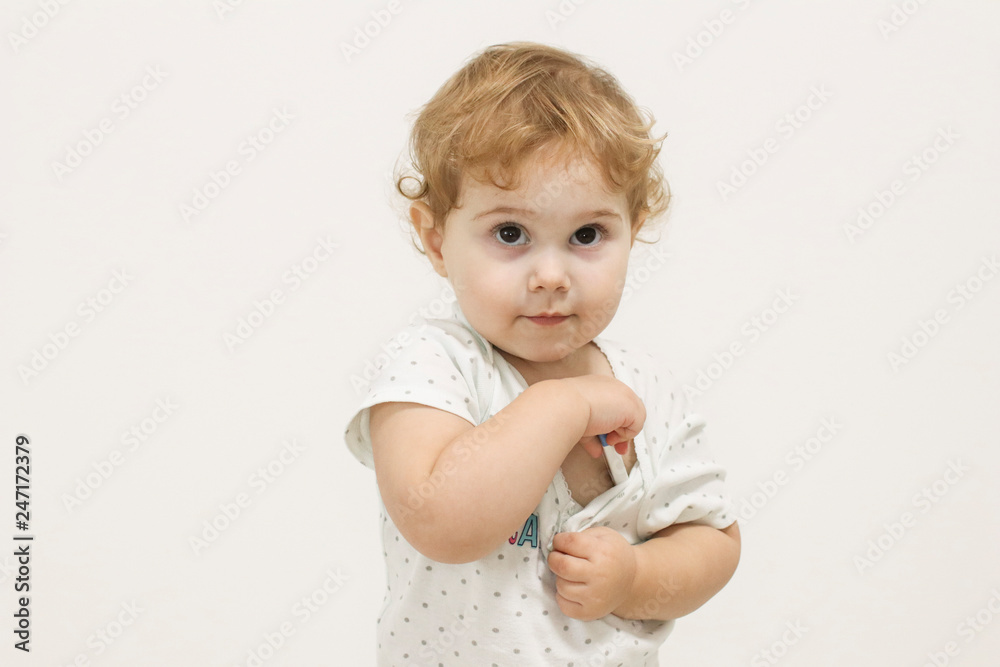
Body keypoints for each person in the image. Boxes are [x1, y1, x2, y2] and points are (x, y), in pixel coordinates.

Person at [343, 41, 740, 666]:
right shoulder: (433, 365)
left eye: (587, 234)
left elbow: (712, 538)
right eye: (511, 234)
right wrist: (563, 405)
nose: (551, 275)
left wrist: (635, 576)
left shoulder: (644, 386)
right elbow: (440, 522)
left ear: (633, 232)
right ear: (436, 241)